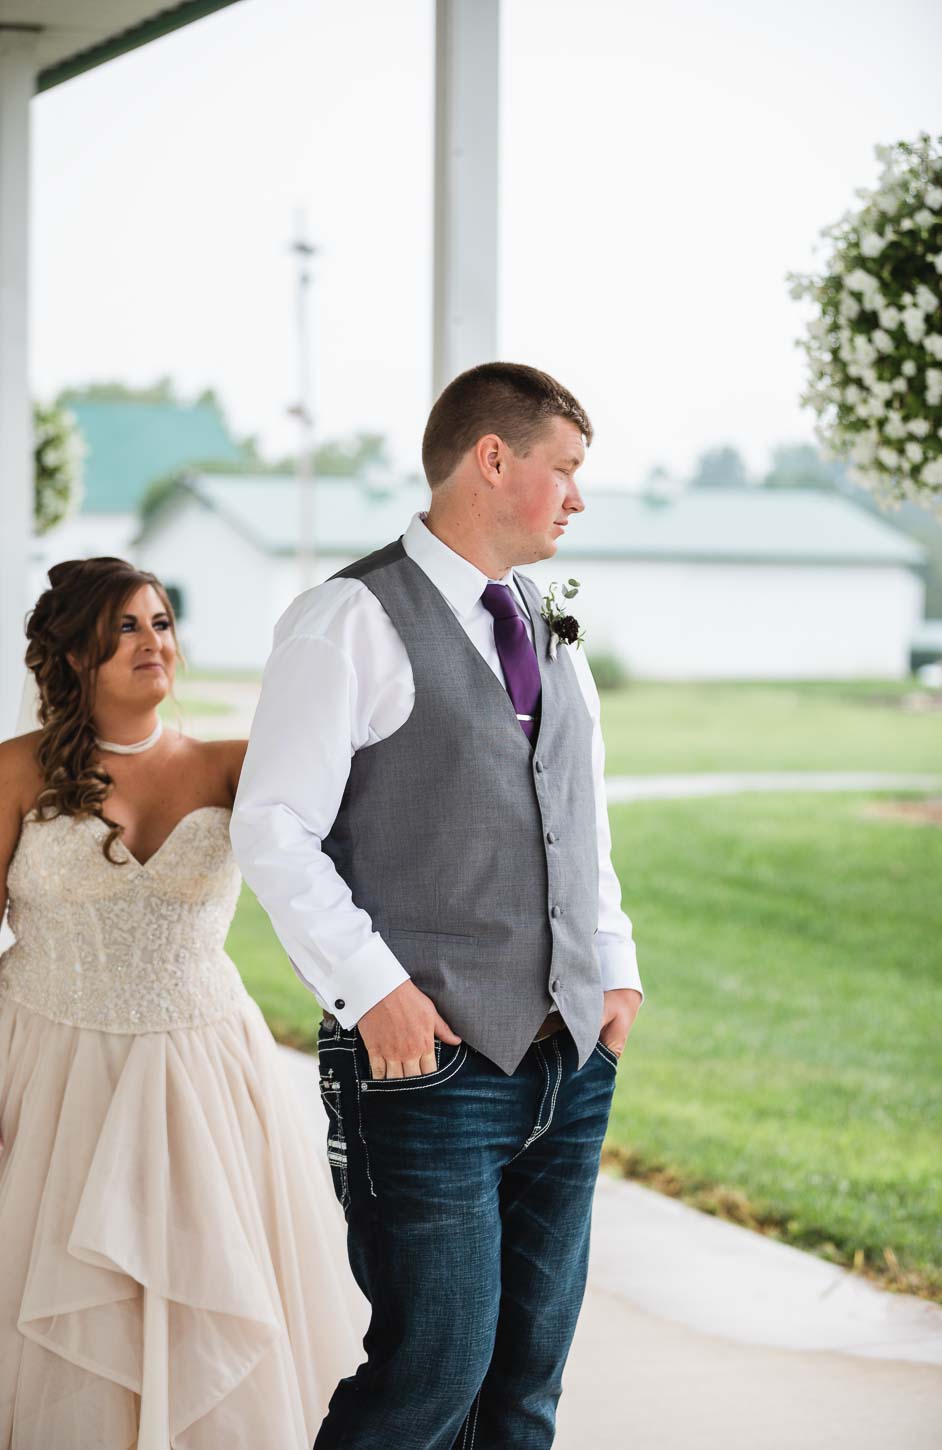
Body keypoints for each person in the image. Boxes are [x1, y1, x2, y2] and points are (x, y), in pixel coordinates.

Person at [231, 361, 643, 1449]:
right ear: (491, 459)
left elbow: (575, 811)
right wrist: (373, 991)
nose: (577, 497)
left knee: (525, 1383)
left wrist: (615, 970)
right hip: (428, 1068)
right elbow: (271, 827)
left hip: (569, 1062)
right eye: (564, 468)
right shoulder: (348, 618)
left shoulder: (546, 621)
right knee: (429, 1377)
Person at [0, 557, 365, 1449]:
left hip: (205, 1074)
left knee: (210, 1292)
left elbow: (357, 847)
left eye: (160, 622)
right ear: (73, 653)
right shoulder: (13, 770)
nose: (152, 642)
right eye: (124, 626)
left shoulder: (235, 766)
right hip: (51, 1068)